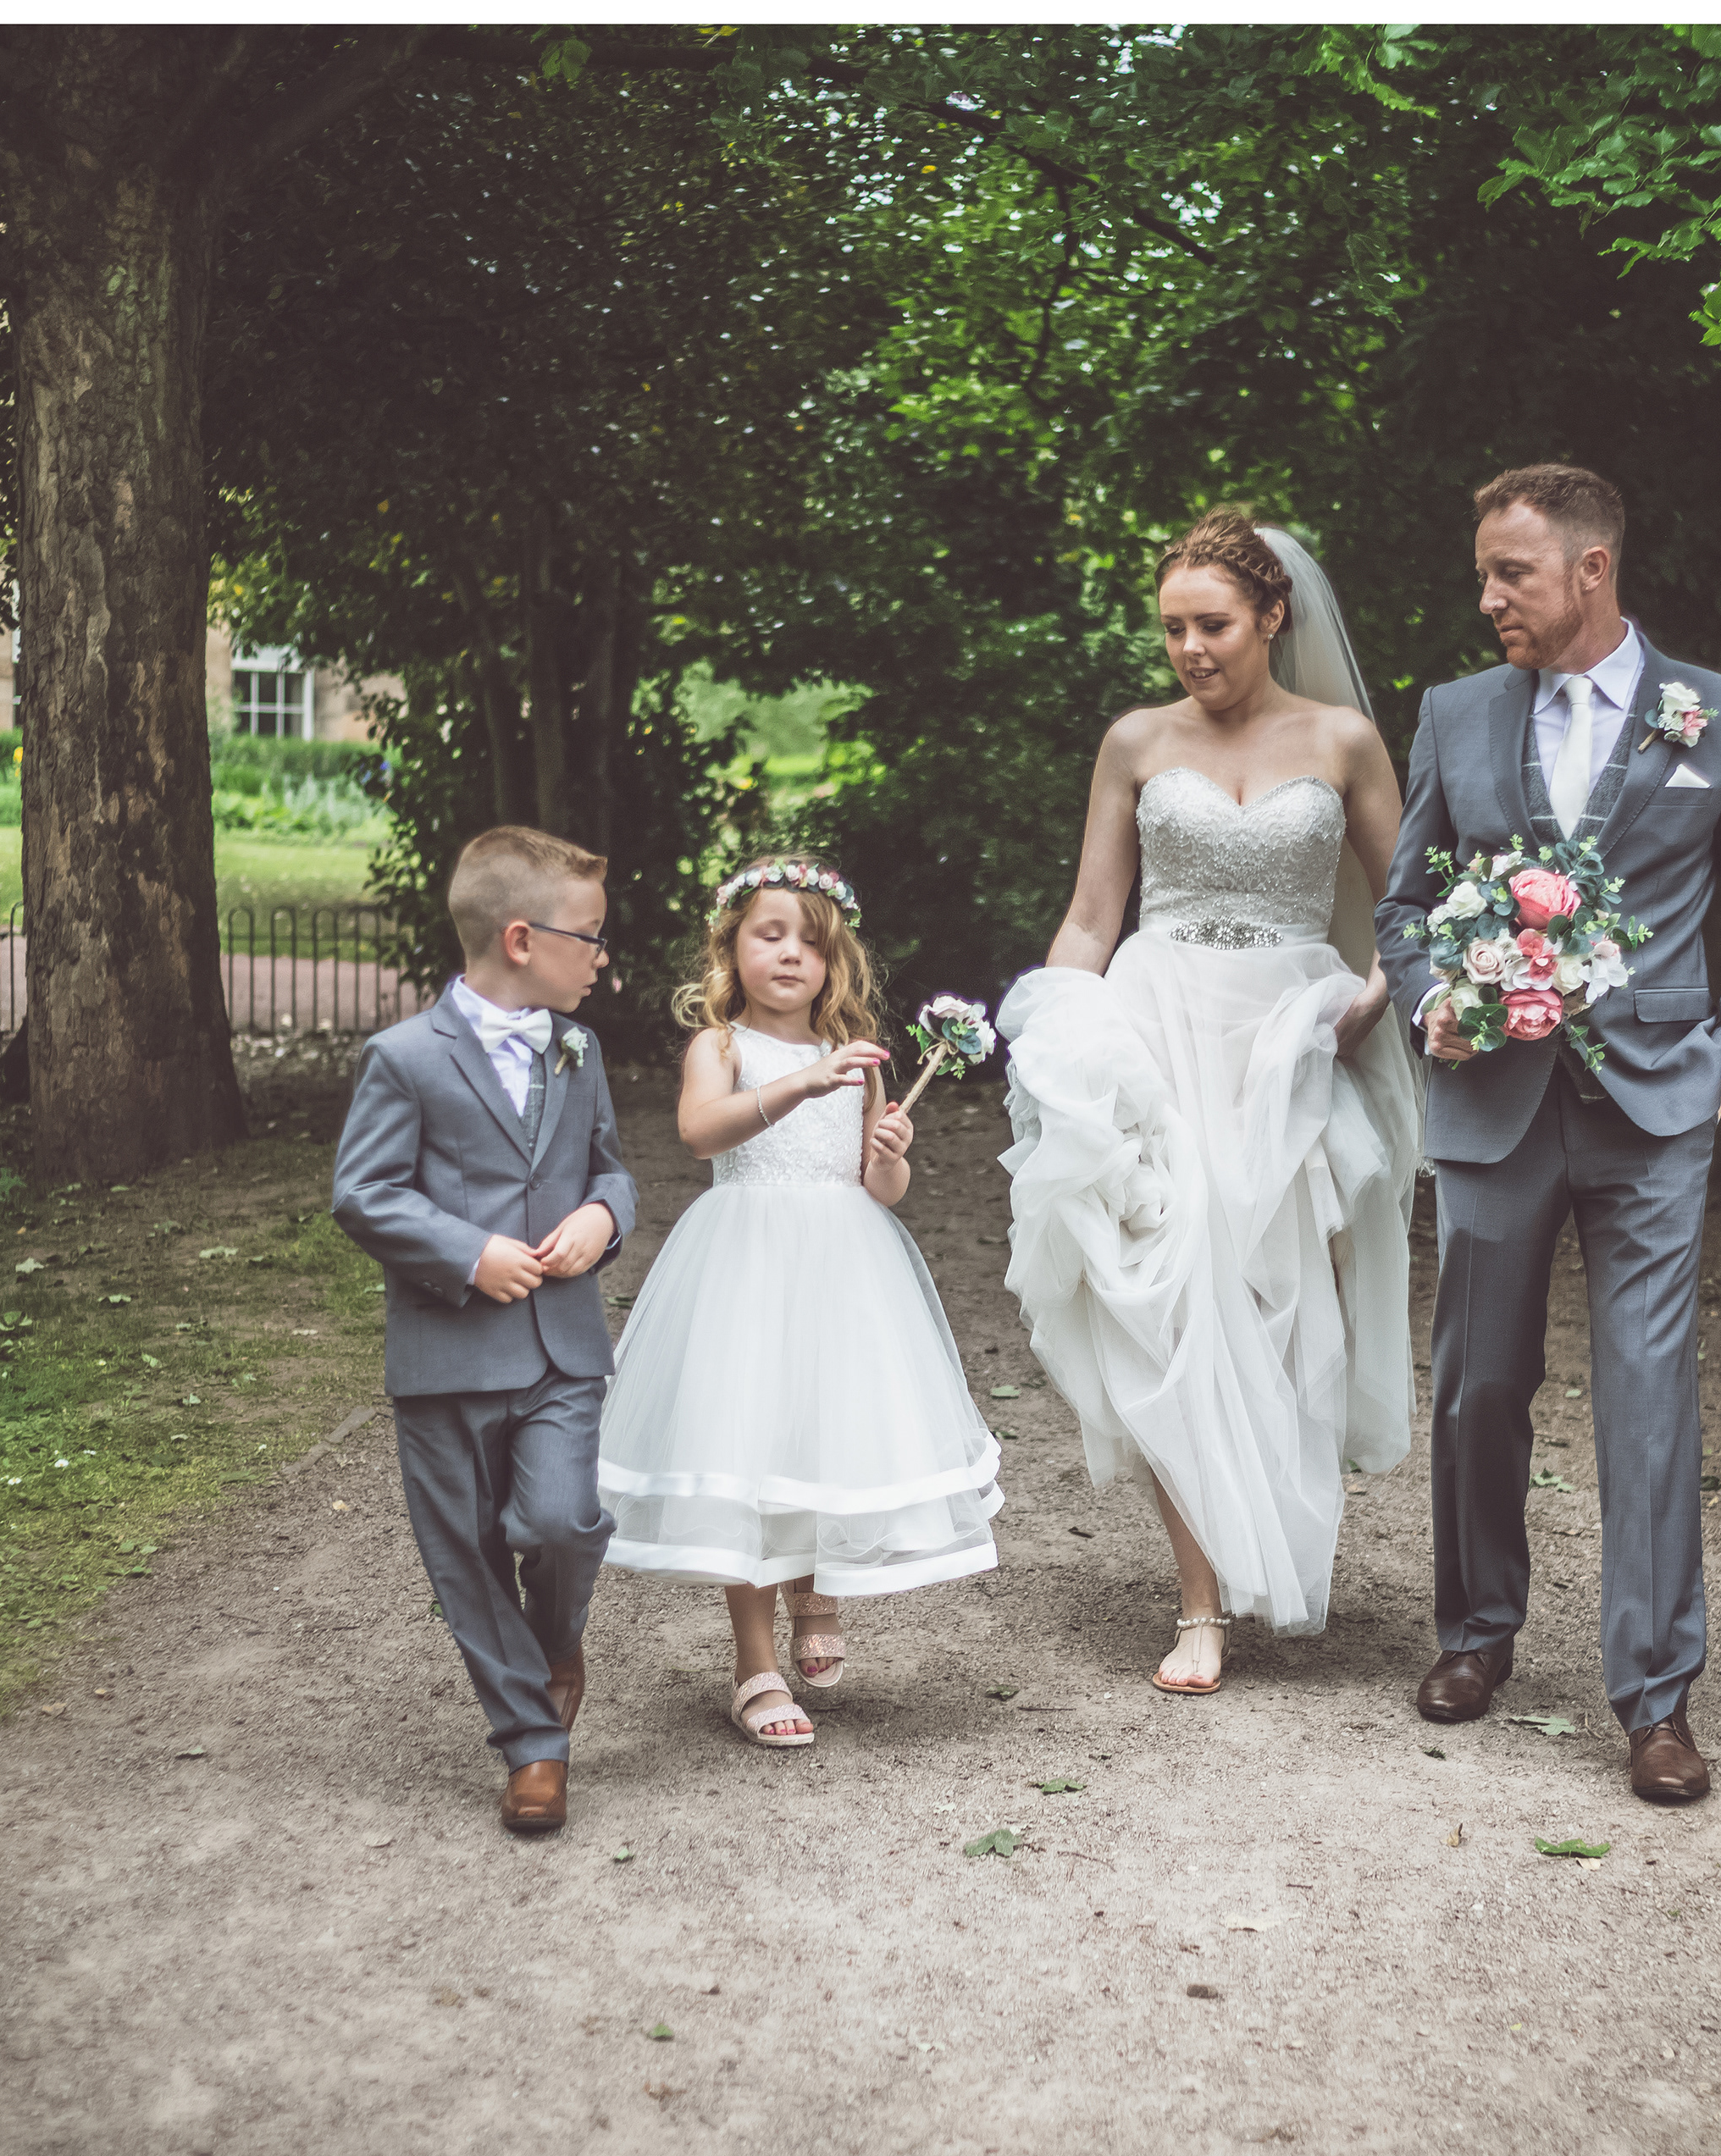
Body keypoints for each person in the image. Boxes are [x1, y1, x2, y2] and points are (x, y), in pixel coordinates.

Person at [1372, 464, 1721, 1802]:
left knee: (1650, 1402)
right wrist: (1435, 1000)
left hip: (1657, 1111)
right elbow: (1404, 908)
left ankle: (1657, 1699)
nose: (1488, 597)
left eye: (1512, 572)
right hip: (1494, 1109)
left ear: (1593, 569)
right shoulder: (1454, 714)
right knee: (1477, 1384)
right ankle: (1475, 1632)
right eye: (1485, 573)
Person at [999, 511, 1422, 1694]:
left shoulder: (1342, 741)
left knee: (1279, 1309)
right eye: (1173, 628)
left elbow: (1412, 912)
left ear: (1273, 616)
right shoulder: (1136, 741)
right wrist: (1057, 1045)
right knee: (1171, 1300)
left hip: (1293, 1048)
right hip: (1157, 1031)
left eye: (1214, 625)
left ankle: (1269, 1540)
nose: (1190, 648)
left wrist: (1362, 1010)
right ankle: (1200, 1606)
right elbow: (1093, 918)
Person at [600, 857, 1003, 1747]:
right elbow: (701, 1131)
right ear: (730, 948)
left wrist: (890, 1152)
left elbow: (881, 1189)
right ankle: (754, 1663)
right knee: (748, 1447)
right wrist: (799, 1085)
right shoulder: (722, 1047)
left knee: (826, 1432)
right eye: (769, 935)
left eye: (810, 944)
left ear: (834, 963)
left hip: (844, 1273)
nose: (790, 955)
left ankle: (816, 1594)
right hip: (745, 1267)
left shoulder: (855, 1057)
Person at [330, 823, 638, 1836]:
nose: (602, 958)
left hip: (561, 1350)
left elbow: (609, 1168)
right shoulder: (404, 1059)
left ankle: (556, 1639)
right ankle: (533, 1743)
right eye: (589, 937)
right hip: (447, 1356)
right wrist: (469, 1253)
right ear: (521, 939)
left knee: (561, 1522)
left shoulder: (579, 1050)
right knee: (464, 1553)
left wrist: (604, 1218)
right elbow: (364, 1192)